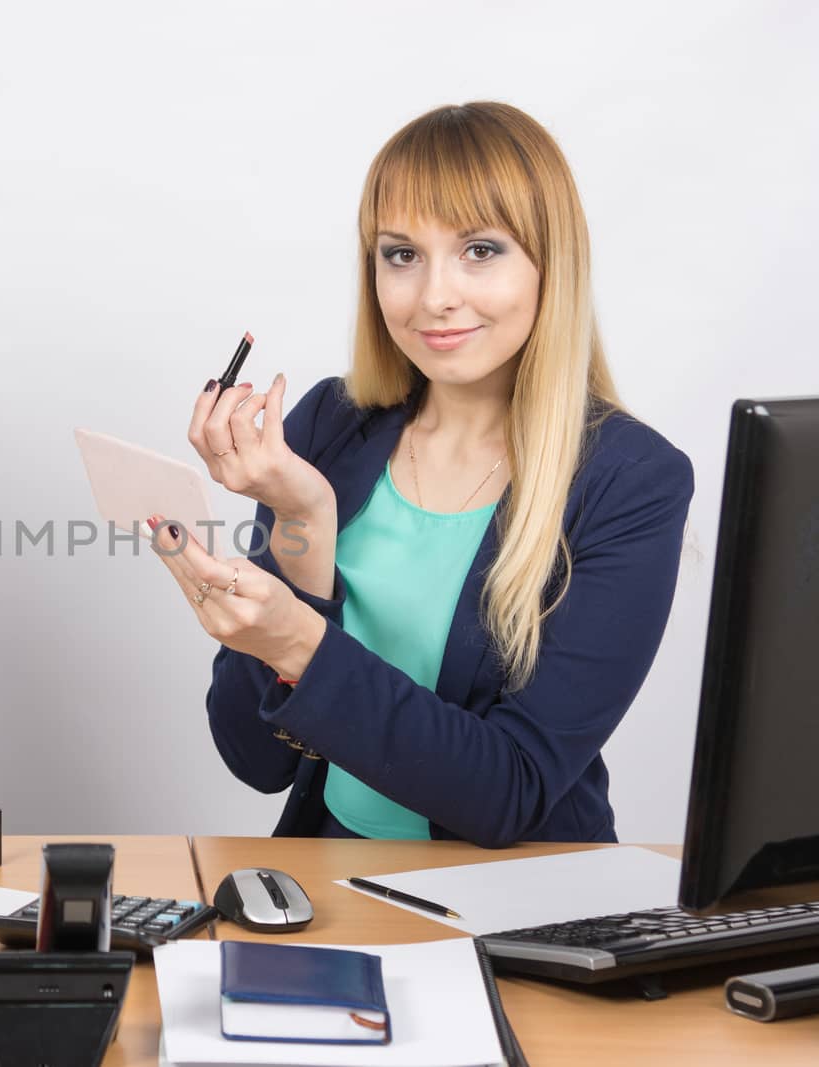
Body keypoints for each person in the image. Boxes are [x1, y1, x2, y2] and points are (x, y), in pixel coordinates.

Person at [149, 102, 692, 847]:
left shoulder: (633, 481)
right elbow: (254, 758)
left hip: (522, 900)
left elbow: (511, 790)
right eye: (402, 254)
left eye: (480, 249)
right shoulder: (328, 425)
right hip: (333, 873)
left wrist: (301, 642)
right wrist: (304, 523)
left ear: (550, 265)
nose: (434, 295)